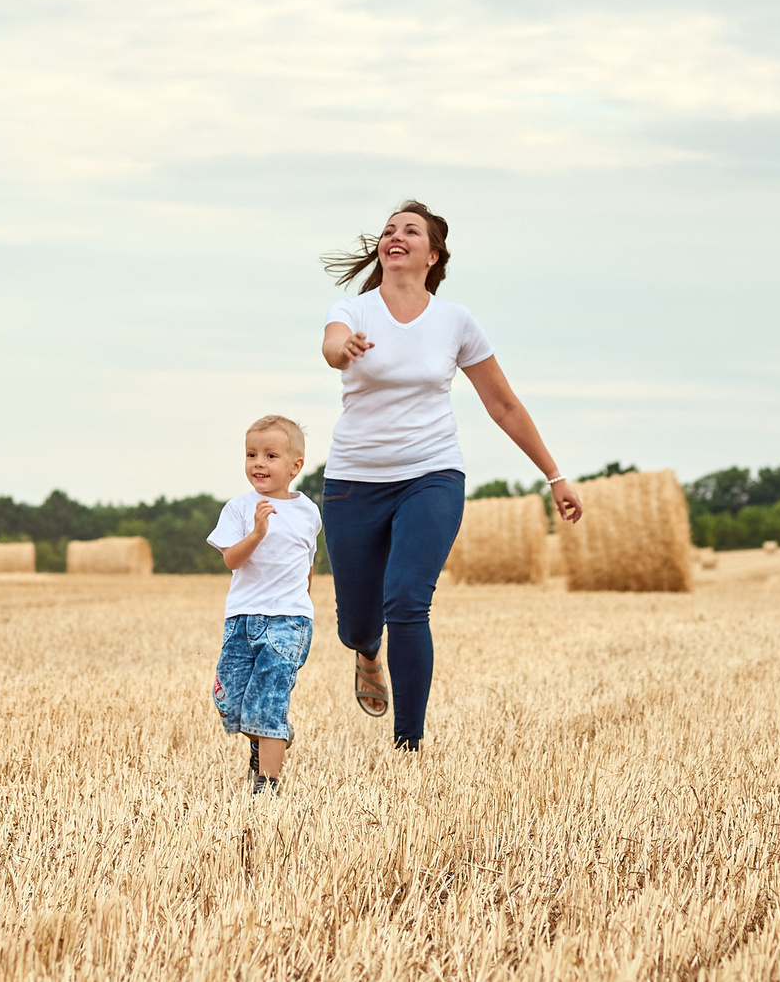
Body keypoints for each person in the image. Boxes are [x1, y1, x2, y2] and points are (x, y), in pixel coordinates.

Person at [319, 200, 581, 750]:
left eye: (410, 231)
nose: (395, 236)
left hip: (431, 474)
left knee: (407, 600)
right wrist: (343, 347)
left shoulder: (455, 321)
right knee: (357, 625)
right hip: (354, 481)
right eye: (389, 230)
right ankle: (367, 652)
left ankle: (408, 745)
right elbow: (332, 347)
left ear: (433, 255)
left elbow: (504, 405)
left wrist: (554, 475)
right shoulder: (354, 310)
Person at [205, 414, 323, 795]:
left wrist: (303, 606)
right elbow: (232, 560)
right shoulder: (238, 509)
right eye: (251, 454)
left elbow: (306, 564)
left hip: (288, 621)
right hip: (242, 619)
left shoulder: (309, 512)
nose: (259, 463)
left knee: (269, 700)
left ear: (295, 466)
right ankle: (275, 733)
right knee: (228, 700)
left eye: (271, 456)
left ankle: (267, 783)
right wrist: (257, 533)